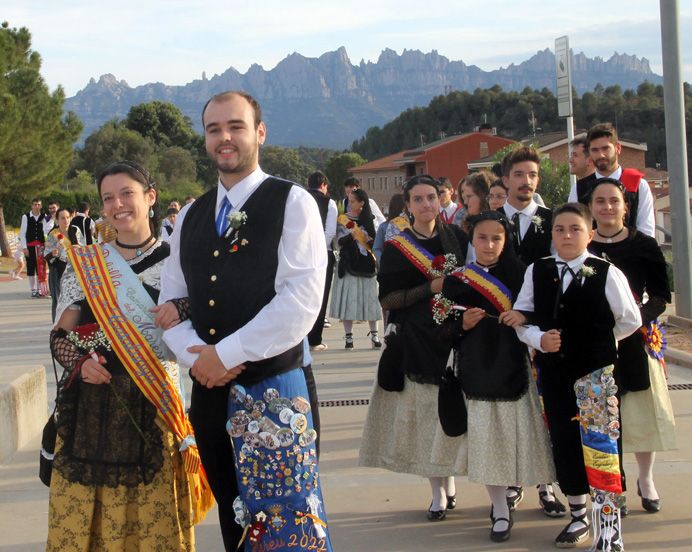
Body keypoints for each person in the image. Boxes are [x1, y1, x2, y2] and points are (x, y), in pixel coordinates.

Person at [159, 90, 332, 551]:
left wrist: (225, 354)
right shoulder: (191, 215)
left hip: (274, 388)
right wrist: (197, 356)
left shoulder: (292, 202)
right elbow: (172, 299)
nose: (224, 137)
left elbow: (300, 302)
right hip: (210, 395)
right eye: (214, 129)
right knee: (236, 524)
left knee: (288, 525)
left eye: (235, 126)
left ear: (259, 133)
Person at [47, 160, 211, 551]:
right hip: (92, 414)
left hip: (155, 409)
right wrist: (80, 363)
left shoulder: (180, 262)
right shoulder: (85, 263)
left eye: (127, 194)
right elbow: (59, 335)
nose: (117, 204)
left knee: (153, 529)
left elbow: (209, 318)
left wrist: (183, 309)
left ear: (150, 198)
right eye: (108, 198)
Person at [502, 202, 641, 550]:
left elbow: (630, 320)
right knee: (563, 441)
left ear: (590, 234)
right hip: (554, 373)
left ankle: (608, 526)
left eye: (575, 229)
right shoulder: (538, 270)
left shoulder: (607, 273)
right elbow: (522, 318)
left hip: (595, 376)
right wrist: (538, 340)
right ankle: (578, 514)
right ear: (552, 234)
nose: (566, 235)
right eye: (560, 229)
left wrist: (598, 343)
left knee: (602, 447)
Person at [359, 174, 469, 523]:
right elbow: (389, 298)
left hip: (456, 336)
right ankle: (437, 491)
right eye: (418, 200)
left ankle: (451, 478)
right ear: (407, 206)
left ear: (441, 200)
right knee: (426, 418)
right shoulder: (398, 247)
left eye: (431, 198)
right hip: (417, 341)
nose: (426, 205)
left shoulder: (458, 239)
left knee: (453, 418)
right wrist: (430, 287)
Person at [440, 211, 555, 543]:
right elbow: (441, 330)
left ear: (506, 241)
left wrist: (522, 315)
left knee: (522, 438)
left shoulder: (522, 275)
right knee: (488, 443)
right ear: (471, 240)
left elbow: (540, 315)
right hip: (475, 371)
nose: (488, 245)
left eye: (496, 238)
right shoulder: (456, 280)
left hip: (514, 369)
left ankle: (543, 490)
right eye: (481, 238)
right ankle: (499, 508)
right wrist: (462, 325)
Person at [587, 178, 676, 514]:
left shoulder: (645, 246)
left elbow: (661, 297)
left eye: (614, 201)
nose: (607, 207)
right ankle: (615, 482)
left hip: (635, 340)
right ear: (591, 208)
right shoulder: (583, 246)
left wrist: (634, 319)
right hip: (596, 343)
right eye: (600, 201)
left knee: (640, 415)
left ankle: (647, 478)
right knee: (606, 419)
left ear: (625, 206)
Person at [569, 123, 655, 237]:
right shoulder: (579, 189)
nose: (601, 155)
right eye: (595, 150)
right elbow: (573, 228)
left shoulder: (638, 185)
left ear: (618, 148)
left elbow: (646, 231)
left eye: (605, 148)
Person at [329, 187, 383, 349]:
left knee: (371, 301)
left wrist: (369, 239)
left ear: (361, 203)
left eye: (353, 201)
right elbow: (338, 242)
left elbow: (377, 244)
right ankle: (349, 337)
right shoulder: (343, 220)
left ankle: (374, 335)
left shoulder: (370, 220)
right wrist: (352, 236)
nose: (349, 203)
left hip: (367, 264)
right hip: (349, 263)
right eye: (349, 200)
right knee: (349, 301)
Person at [499, 147, 553, 267]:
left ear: (538, 180)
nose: (527, 181)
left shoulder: (552, 219)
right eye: (519, 175)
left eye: (532, 175)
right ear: (506, 181)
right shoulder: (490, 219)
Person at [306, 171, 338, 351]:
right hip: (323, 254)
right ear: (324, 185)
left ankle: (300, 338)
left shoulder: (301, 198)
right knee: (321, 295)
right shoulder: (329, 202)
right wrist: (319, 250)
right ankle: (314, 339)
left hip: (301, 254)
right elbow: (330, 231)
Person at [44, 208, 79, 322]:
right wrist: (53, 253)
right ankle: (57, 327)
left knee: (75, 301)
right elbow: (46, 255)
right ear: (57, 220)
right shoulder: (53, 234)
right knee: (58, 301)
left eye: (68, 217)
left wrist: (79, 249)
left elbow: (86, 247)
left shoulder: (76, 231)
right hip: (58, 272)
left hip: (75, 272)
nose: (66, 220)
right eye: (62, 218)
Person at [19, 197, 51, 297]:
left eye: (38, 204)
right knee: (30, 267)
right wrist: (24, 247)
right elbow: (22, 233)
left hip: (41, 246)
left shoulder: (44, 216)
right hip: (30, 246)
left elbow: (47, 229)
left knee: (40, 267)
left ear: (41, 206)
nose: (36, 206)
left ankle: (40, 289)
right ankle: (33, 289)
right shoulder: (26, 216)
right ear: (32, 205)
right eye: (35, 204)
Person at [372, 193, 408, 265]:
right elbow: (376, 248)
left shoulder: (413, 225)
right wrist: (384, 262)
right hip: (390, 265)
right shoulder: (384, 226)